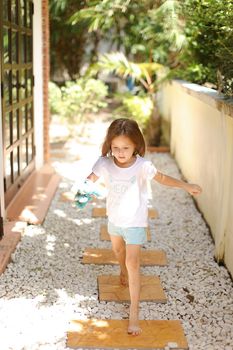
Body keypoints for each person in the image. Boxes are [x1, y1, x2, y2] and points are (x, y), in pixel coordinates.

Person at [75, 118, 202, 336]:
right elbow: (88, 182)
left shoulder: (142, 166)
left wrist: (186, 186)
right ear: (109, 146)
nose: (120, 152)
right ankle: (122, 271)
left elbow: (163, 178)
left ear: (136, 146)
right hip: (114, 220)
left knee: (133, 262)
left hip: (135, 222)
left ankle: (134, 312)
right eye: (115, 148)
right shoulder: (104, 163)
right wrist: (83, 191)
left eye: (125, 148)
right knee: (118, 252)